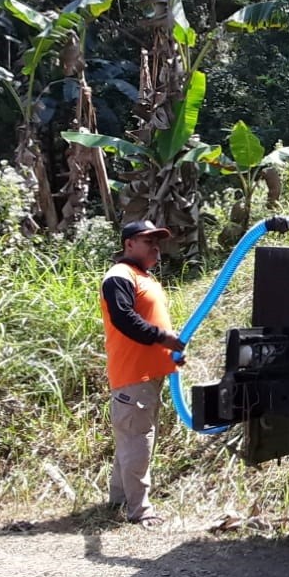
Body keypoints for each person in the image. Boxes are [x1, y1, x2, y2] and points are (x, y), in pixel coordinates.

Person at [99, 219, 186, 527]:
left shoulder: (141, 277)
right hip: (133, 376)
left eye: (157, 241)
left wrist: (170, 350)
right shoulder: (119, 276)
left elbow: (151, 321)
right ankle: (140, 511)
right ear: (129, 244)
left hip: (147, 376)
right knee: (138, 440)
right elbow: (124, 318)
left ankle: (118, 501)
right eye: (147, 240)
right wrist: (163, 339)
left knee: (132, 439)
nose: (155, 246)